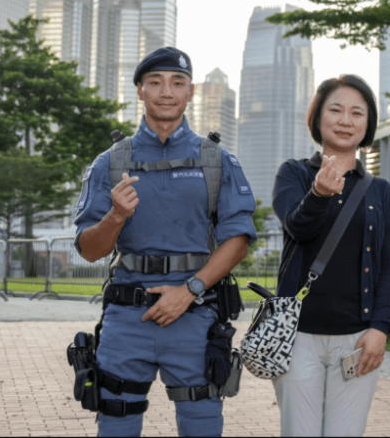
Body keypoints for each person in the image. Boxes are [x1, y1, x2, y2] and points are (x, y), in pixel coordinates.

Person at [73, 47, 257, 437]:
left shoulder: (217, 161)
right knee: (115, 424)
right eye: (155, 82)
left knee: (202, 427)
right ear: (140, 90)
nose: (166, 92)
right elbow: (89, 249)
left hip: (194, 315)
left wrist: (189, 291)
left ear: (191, 92)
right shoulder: (110, 163)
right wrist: (115, 216)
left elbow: (238, 239)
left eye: (177, 82)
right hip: (127, 319)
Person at [270, 74, 390, 437]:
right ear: (318, 117)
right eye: (336, 110)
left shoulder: (380, 191)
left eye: (357, 113)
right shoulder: (293, 173)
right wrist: (317, 194)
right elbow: (298, 228)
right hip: (297, 337)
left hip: (357, 338)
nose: (346, 120)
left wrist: (380, 328)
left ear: (367, 123)